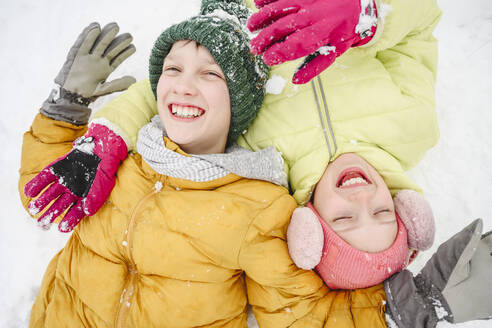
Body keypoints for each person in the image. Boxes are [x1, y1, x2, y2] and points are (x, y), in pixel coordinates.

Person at [21, 0, 492, 327]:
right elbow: (422, 20)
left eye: (343, 219)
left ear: (308, 226)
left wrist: (84, 123)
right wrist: (369, 12)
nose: (359, 196)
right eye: (381, 212)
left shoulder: (265, 178)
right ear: (405, 207)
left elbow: (171, 88)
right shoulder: (414, 122)